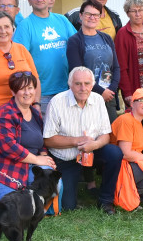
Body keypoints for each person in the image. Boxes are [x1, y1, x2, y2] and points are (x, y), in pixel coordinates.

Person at [43, 67, 123, 214]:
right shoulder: (56, 102)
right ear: (70, 84)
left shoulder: (98, 100)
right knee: (68, 206)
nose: (83, 88)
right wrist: (77, 141)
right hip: (66, 159)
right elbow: (48, 140)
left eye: (87, 83)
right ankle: (72, 191)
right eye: (78, 83)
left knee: (114, 153)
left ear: (92, 85)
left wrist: (96, 144)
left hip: (92, 152)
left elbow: (106, 134)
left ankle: (106, 201)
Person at [0, 71, 57, 202]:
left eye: (30, 88)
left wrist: (45, 156)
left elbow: (41, 142)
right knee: (16, 206)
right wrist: (37, 159)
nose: (27, 93)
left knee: (55, 185)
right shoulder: (4, 114)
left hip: (32, 166)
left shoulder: (35, 113)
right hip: (6, 168)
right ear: (13, 92)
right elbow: (9, 147)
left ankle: (29, 195)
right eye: (22, 89)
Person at [14, 0, 77, 110]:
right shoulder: (25, 26)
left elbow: (77, 44)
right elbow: (19, 60)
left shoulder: (62, 20)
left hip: (66, 90)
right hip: (40, 94)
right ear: (29, 1)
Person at [67, 0, 120, 126]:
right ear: (81, 16)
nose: (92, 17)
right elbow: (77, 72)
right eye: (88, 14)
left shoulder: (106, 38)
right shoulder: (75, 41)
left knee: (112, 135)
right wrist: (101, 91)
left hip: (109, 96)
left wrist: (111, 90)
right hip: (87, 96)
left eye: (96, 14)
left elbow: (116, 67)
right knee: (91, 135)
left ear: (100, 16)